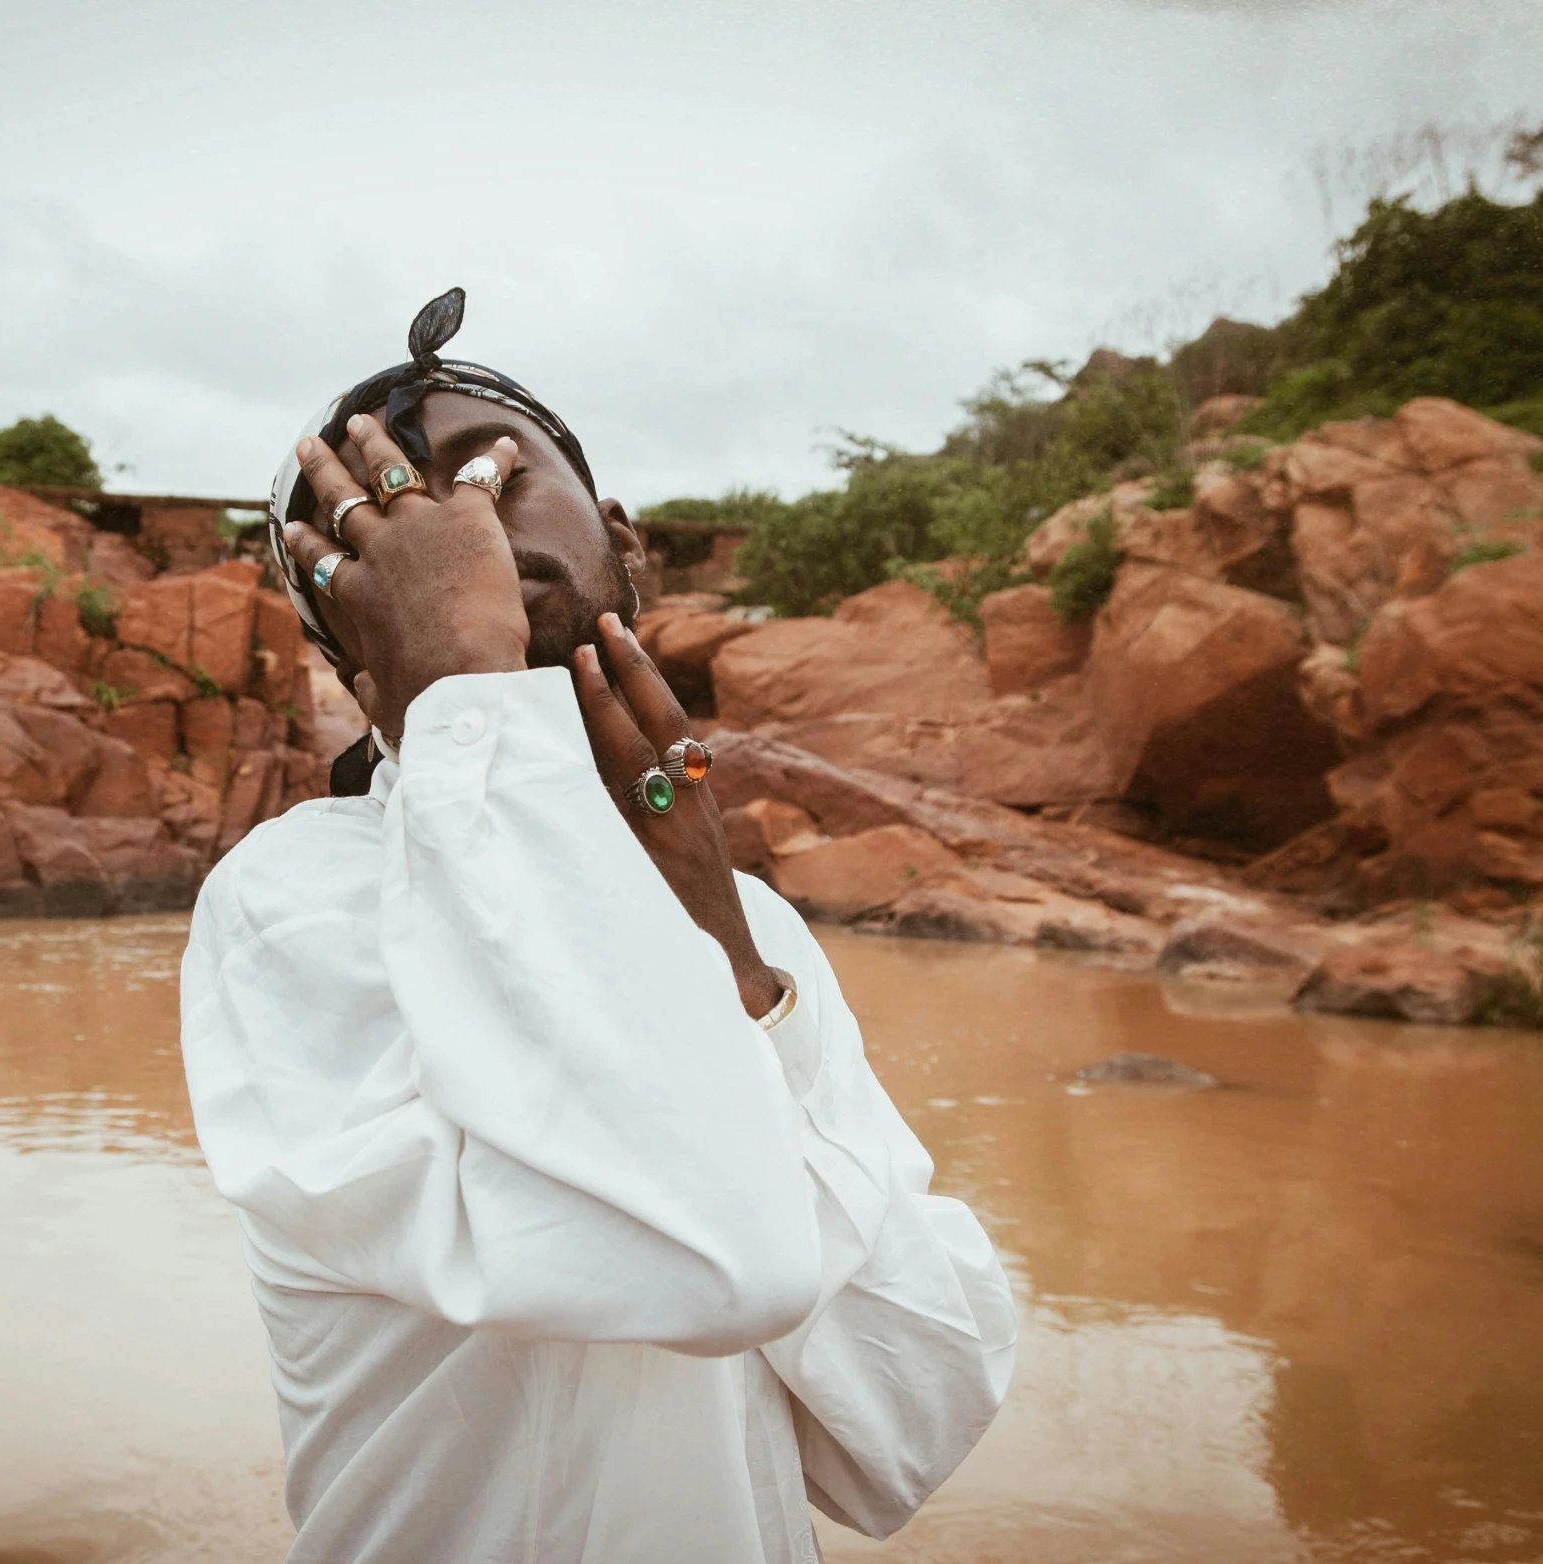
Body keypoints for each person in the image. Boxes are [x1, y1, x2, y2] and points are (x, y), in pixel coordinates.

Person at [179, 290, 1017, 1564]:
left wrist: (731, 959)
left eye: (491, 476)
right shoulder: (291, 903)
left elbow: (913, 1426)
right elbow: (718, 1259)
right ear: (364, 657)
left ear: (629, 542)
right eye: (380, 547)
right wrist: (467, 690)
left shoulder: (760, 935)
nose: (458, 535)